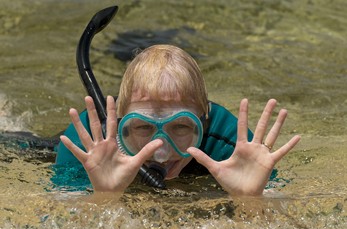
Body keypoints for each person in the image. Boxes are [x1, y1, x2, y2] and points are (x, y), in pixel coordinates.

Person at [55, 44, 300, 196]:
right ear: (121, 125)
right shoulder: (87, 139)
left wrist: (251, 199)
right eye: (143, 126)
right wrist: (104, 196)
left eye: (181, 126)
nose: (160, 150)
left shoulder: (229, 142)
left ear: (203, 124)